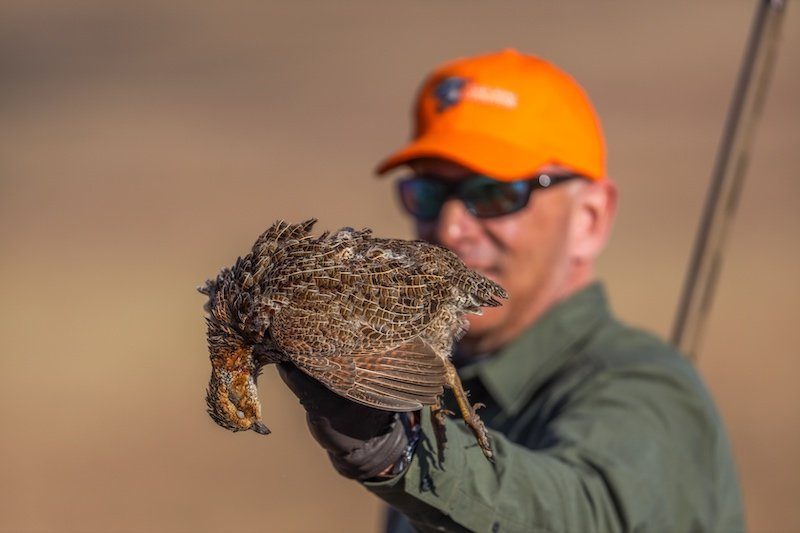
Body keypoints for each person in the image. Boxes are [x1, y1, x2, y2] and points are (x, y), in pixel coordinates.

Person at [279, 49, 744, 532]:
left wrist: (400, 449)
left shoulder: (648, 394)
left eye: (494, 194)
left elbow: (583, 512)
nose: (450, 227)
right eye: (429, 194)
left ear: (590, 218)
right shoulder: (431, 384)